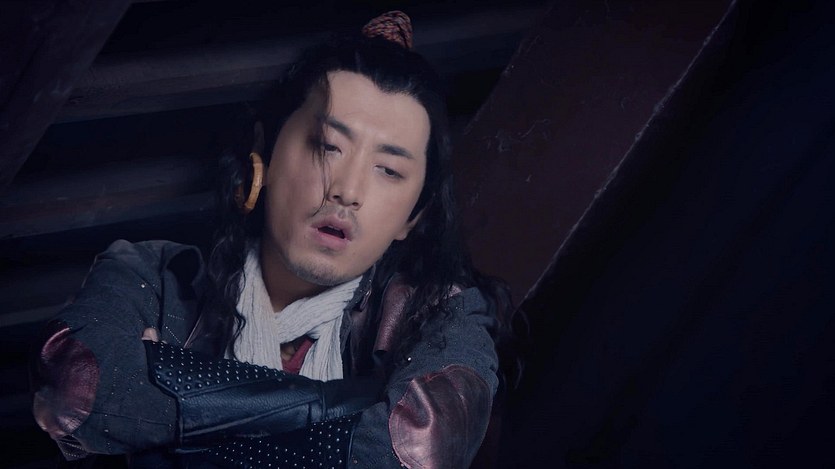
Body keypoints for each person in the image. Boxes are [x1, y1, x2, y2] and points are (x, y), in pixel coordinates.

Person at [32, 11, 511, 469]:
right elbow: (76, 395)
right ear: (264, 151)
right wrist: (359, 403)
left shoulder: (439, 315)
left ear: (414, 215)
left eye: (388, 169)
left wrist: (167, 406)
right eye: (327, 146)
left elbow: (415, 453)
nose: (348, 191)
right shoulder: (151, 275)